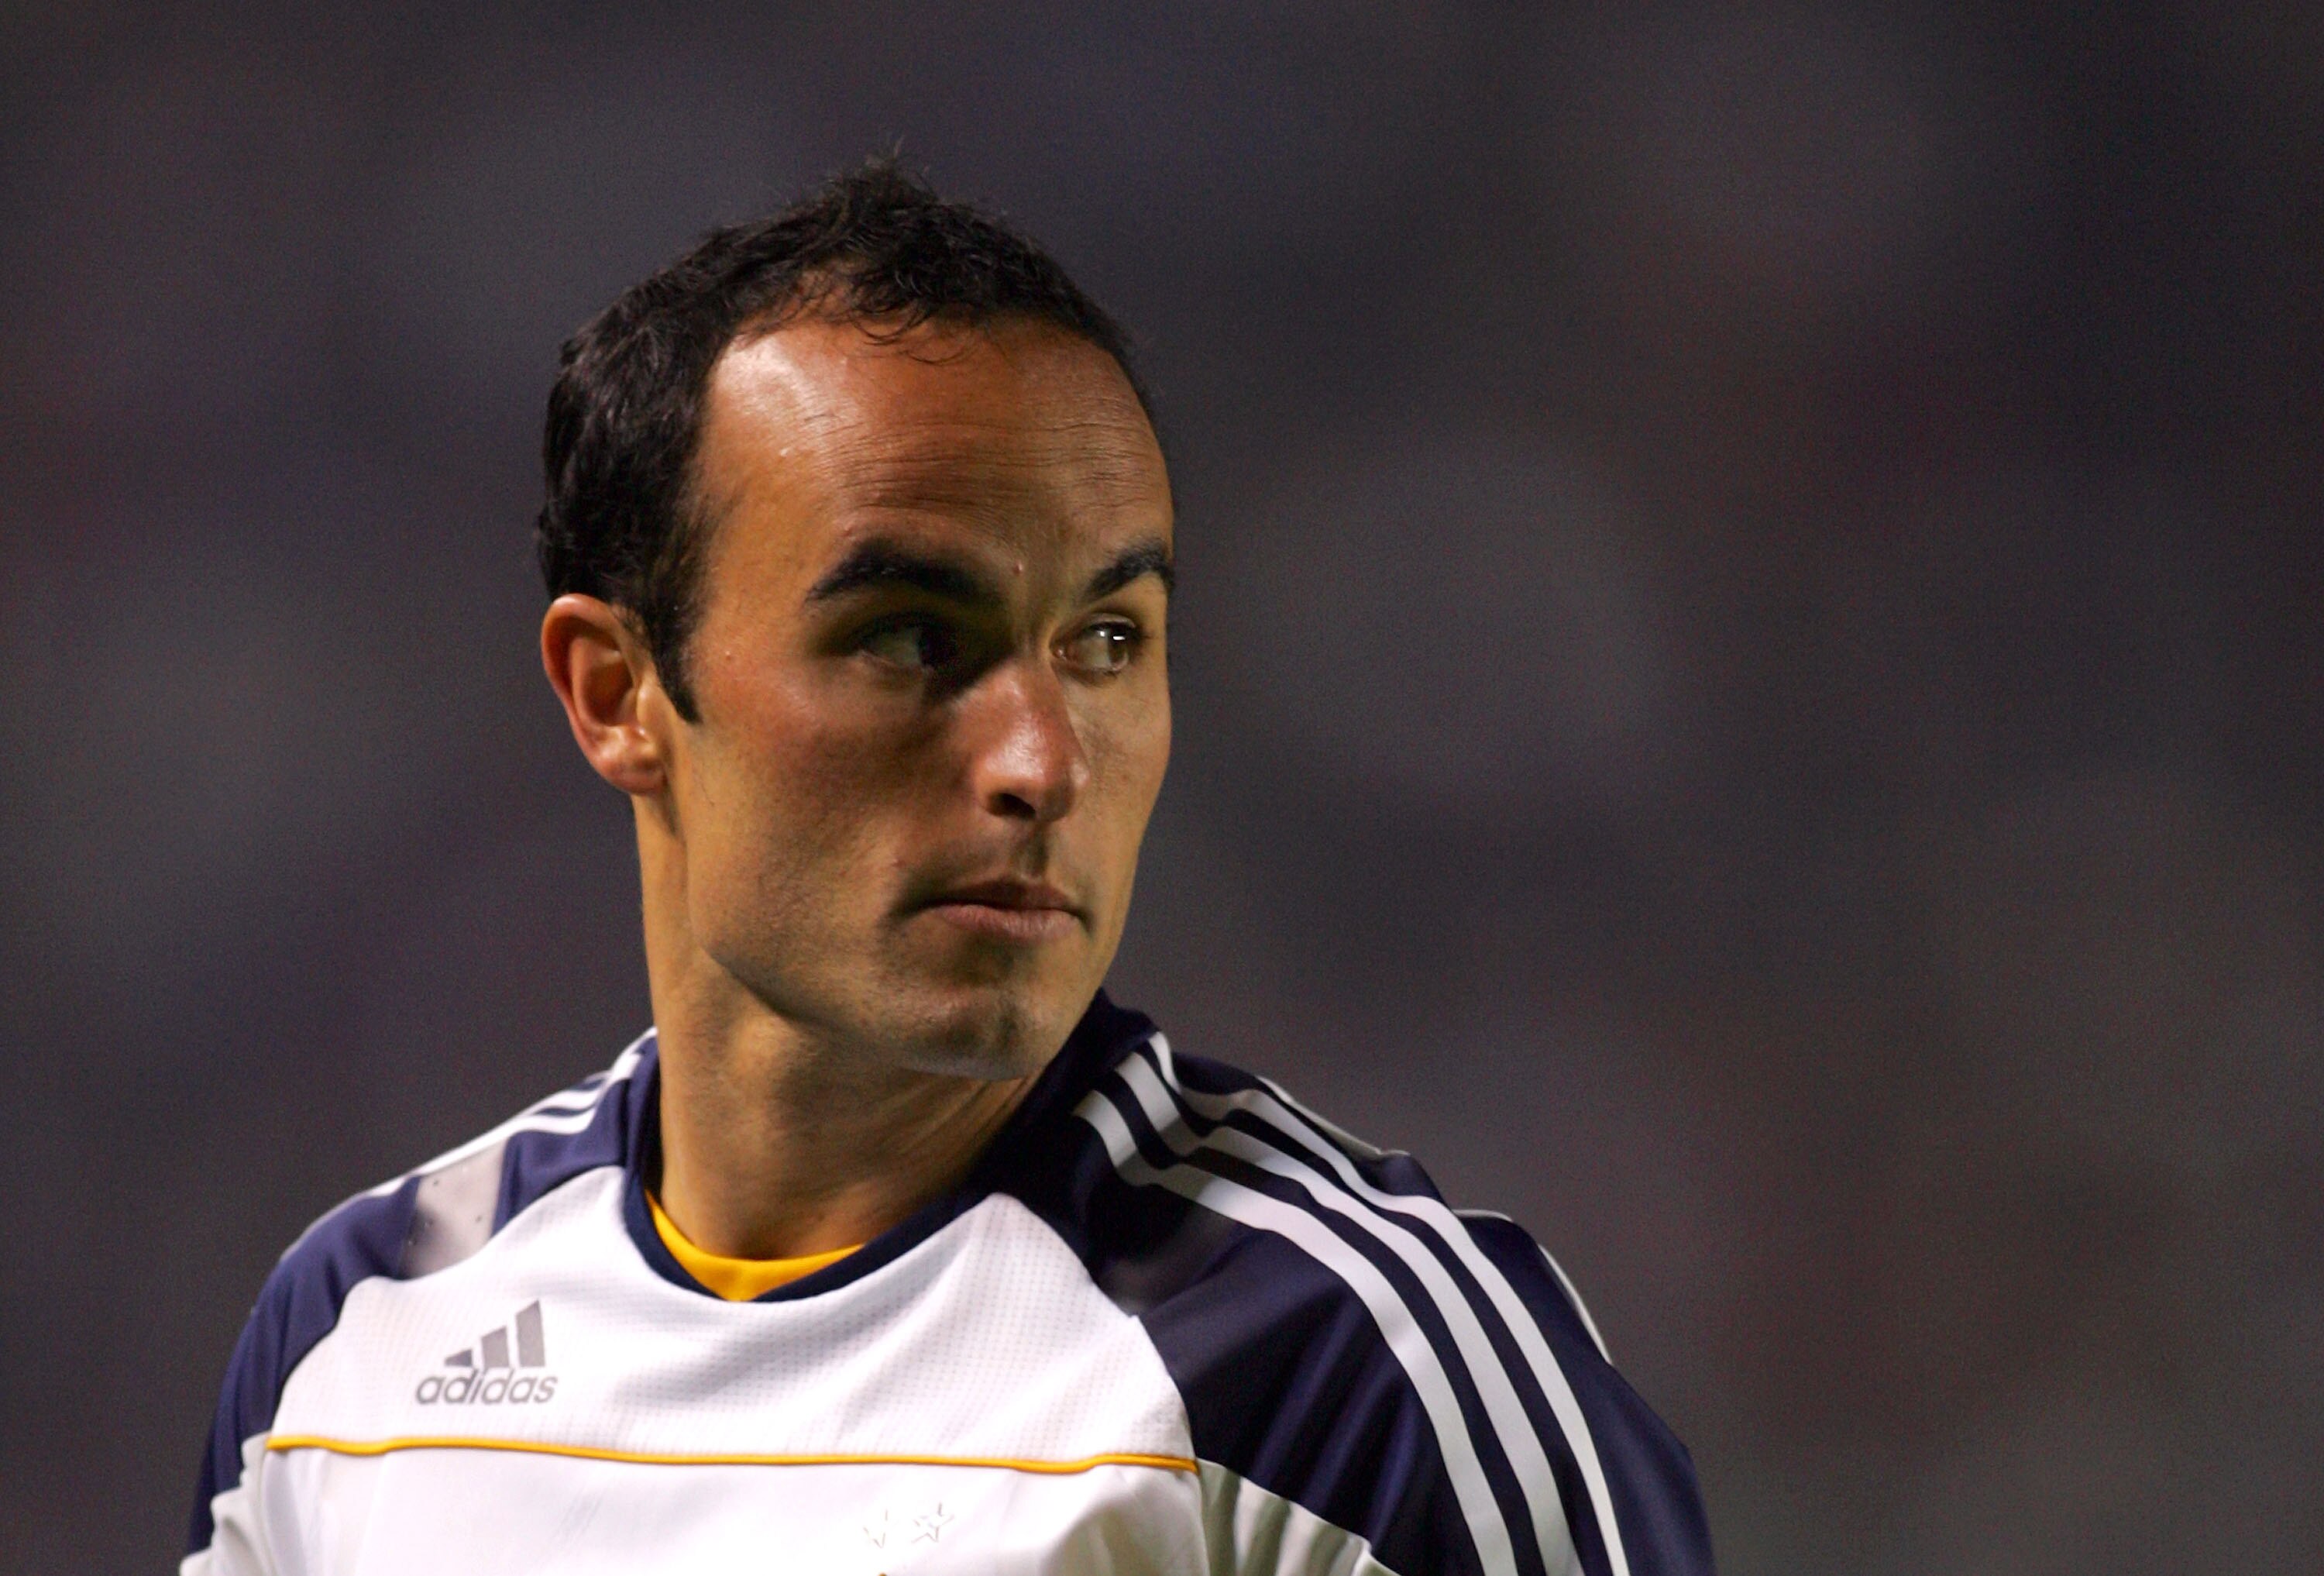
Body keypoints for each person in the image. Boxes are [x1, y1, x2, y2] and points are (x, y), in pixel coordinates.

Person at [184, 161, 1715, 1576]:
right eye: (912, 637)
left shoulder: (1351, 1376)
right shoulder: (358, 1339)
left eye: (1108, 643)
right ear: (617, 693)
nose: (1041, 762)